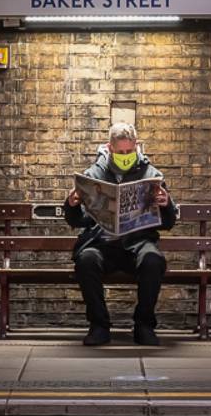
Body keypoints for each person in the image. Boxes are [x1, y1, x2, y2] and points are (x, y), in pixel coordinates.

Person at [63, 122, 178, 347]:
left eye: (129, 151)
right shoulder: (93, 174)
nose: (125, 155)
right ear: (110, 148)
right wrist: (72, 205)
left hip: (138, 243)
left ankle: (144, 326)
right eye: (120, 152)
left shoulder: (151, 174)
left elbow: (168, 223)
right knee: (86, 260)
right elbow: (76, 221)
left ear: (136, 146)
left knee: (153, 260)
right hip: (102, 242)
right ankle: (99, 326)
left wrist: (166, 204)